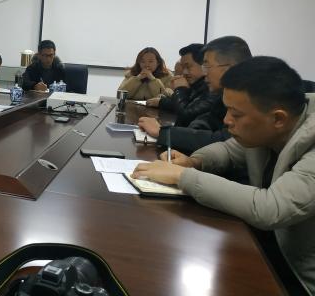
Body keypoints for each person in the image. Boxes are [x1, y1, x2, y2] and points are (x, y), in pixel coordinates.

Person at [132, 56, 315, 294]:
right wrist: (194, 161)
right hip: (268, 249)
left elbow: (272, 208)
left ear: (278, 118)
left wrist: (182, 176)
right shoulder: (271, 126)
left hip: (297, 279)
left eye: (236, 114)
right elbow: (230, 149)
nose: (227, 120)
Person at [138, 36, 252, 154]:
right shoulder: (223, 94)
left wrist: (163, 132)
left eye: (206, 66)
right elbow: (205, 121)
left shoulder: (250, 97)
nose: (204, 72)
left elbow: (223, 141)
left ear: (230, 68)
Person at [146, 43, 216, 127]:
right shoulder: (197, 84)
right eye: (183, 67)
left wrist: (180, 89)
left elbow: (186, 116)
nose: (184, 72)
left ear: (204, 65)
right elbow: (189, 104)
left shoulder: (213, 88)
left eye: (188, 66)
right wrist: (161, 102)